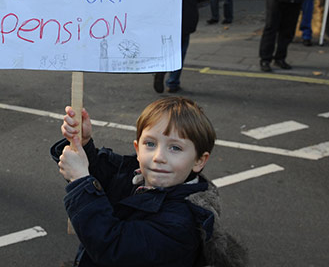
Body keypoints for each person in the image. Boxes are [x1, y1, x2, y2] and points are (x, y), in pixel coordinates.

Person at [52, 98, 247, 267]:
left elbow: (113, 247)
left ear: (199, 160)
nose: (158, 157)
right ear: (137, 148)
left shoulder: (181, 223)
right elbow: (106, 177)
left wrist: (80, 181)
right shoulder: (139, 175)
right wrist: (83, 144)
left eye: (175, 148)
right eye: (150, 144)